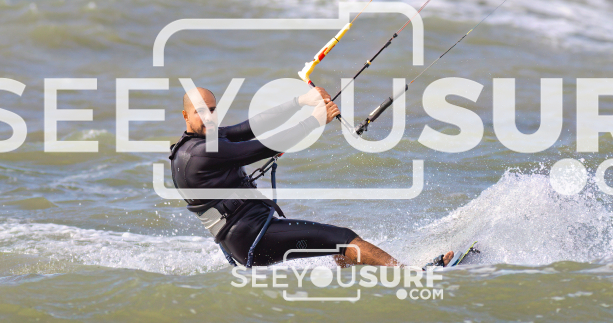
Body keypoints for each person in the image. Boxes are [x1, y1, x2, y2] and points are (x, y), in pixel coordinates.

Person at [169, 86, 453, 268]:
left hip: (244, 239)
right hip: (253, 237)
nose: (209, 116)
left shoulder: (195, 144)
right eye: (200, 112)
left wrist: (300, 101)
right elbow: (262, 147)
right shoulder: (202, 153)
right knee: (343, 238)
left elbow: (251, 127)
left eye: (212, 110)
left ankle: (355, 284)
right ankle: (411, 275)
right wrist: (315, 120)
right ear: (185, 115)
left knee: (335, 245)